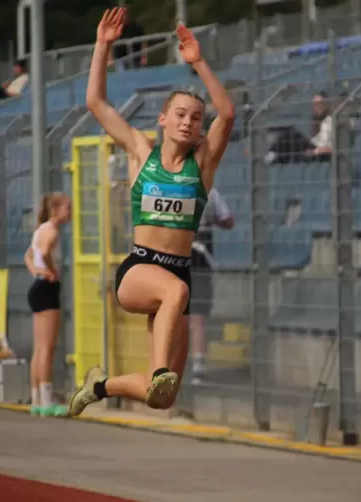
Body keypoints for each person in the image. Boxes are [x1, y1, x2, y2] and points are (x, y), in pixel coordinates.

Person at [67, 7, 235, 414]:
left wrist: (198, 63)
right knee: (174, 295)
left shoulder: (204, 164)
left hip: (178, 272)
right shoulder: (140, 152)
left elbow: (227, 113)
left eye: (195, 118)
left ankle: (100, 385)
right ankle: (159, 368)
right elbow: (95, 101)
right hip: (140, 269)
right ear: (162, 119)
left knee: (164, 398)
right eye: (180, 114)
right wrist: (103, 45)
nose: (188, 122)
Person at [24, 192, 72, 417]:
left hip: (38, 286)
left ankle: (36, 398)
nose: (70, 212)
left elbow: (30, 255)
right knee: (47, 346)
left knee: (39, 345)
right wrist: (51, 270)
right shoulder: (52, 232)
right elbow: (42, 252)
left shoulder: (40, 229)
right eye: (67, 208)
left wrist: (36, 271)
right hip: (47, 288)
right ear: (55, 210)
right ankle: (46, 399)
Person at [190, 188, 234, 383]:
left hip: (195, 260)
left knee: (195, 316)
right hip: (187, 260)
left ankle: (196, 365)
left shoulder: (209, 192)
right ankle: (192, 366)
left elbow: (228, 220)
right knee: (191, 317)